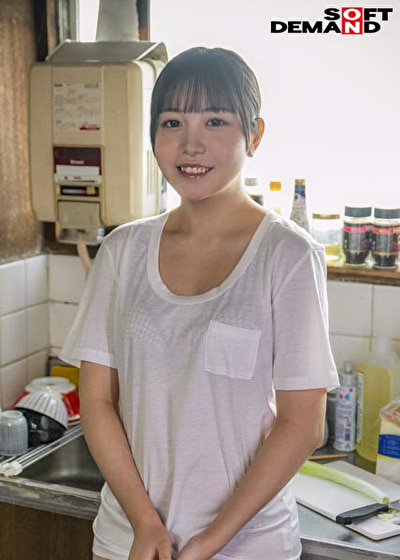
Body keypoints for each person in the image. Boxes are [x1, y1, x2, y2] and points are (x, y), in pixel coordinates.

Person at [60, 46, 339, 560]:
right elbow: (97, 402)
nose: (191, 144)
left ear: (254, 135)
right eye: (172, 122)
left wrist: (211, 540)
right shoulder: (123, 251)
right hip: (129, 540)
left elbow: (302, 424)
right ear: (153, 137)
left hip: (249, 545)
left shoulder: (288, 255)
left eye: (215, 121)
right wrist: (145, 524)